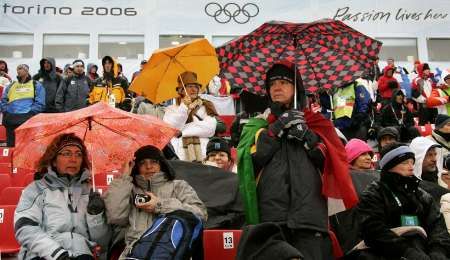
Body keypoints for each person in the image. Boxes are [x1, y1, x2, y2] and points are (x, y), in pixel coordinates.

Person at [238, 61, 358, 259]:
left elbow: (331, 162)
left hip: (309, 215)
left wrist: (308, 137)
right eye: (272, 83)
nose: (276, 87)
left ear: (297, 88)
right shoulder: (258, 124)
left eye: (284, 82)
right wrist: (276, 129)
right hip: (272, 214)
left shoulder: (317, 123)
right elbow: (252, 161)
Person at [14, 133, 111, 259]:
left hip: (81, 252)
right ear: (53, 161)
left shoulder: (88, 193)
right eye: (67, 153)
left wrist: (95, 216)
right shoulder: (35, 190)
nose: (73, 159)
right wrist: (57, 253)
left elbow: (102, 243)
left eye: (78, 154)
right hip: (43, 253)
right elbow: (24, 228)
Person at [104, 145, 207, 258]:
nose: (148, 166)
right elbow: (115, 216)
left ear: (161, 164)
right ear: (136, 167)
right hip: (134, 253)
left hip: (171, 252)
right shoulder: (129, 189)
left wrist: (159, 205)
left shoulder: (178, 186)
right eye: (142, 163)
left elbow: (200, 214)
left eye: (154, 161)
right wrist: (124, 177)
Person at [355, 142, 450, 259]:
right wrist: (407, 252)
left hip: (423, 250)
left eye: (412, 162)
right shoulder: (374, 194)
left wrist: (438, 251)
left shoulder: (422, 195)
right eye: (405, 162)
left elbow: (437, 226)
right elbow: (373, 231)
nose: (411, 167)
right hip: (387, 254)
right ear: (389, 166)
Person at [163, 71, 218, 162]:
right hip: (180, 155)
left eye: (196, 87)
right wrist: (184, 107)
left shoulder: (206, 106)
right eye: (189, 87)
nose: (194, 90)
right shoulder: (171, 109)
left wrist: (182, 133)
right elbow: (172, 129)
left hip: (203, 153)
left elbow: (210, 128)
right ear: (181, 90)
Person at [1, 64, 46, 146]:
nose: (18, 70)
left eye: (21, 68)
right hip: (11, 120)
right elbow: (3, 101)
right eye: (17, 69)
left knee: (26, 147)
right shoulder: (11, 85)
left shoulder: (36, 85)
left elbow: (40, 103)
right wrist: (7, 112)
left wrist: (30, 113)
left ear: (27, 71)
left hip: (28, 120)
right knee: (12, 147)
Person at [410, 137, 449, 204]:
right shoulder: (410, 186)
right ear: (418, 157)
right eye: (429, 155)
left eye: (435, 154)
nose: (434, 159)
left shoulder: (443, 178)